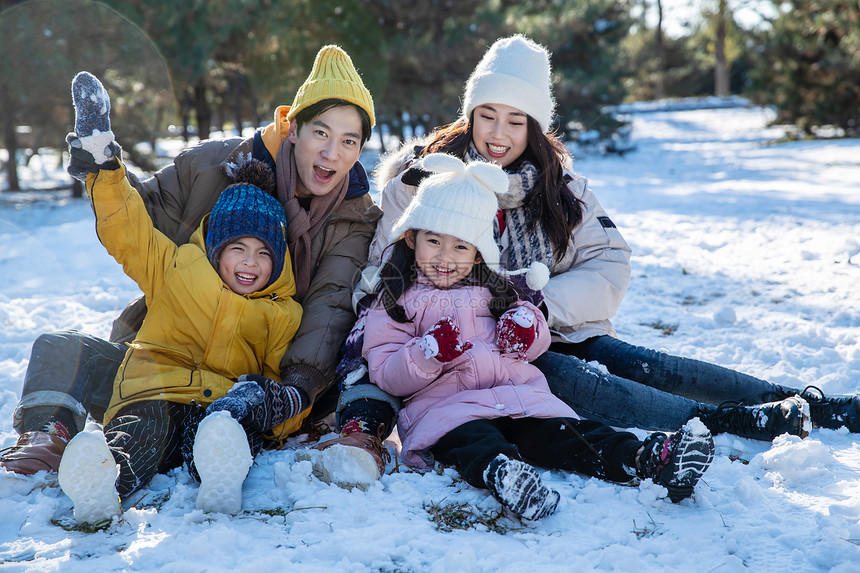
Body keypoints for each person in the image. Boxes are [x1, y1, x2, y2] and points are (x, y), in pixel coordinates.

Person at [328, 34, 860, 476]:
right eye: (486, 115)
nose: (497, 134)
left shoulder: (562, 189)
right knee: (589, 383)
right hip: (473, 349)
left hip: (547, 323)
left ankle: (798, 400)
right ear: (470, 114)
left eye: (515, 121)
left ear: (535, 127)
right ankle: (731, 422)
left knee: (648, 365)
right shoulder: (425, 181)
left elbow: (610, 263)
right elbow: (383, 272)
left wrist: (538, 305)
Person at [0, 45, 383, 479]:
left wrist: (291, 394)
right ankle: (47, 435)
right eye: (321, 133)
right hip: (162, 360)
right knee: (62, 348)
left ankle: (199, 462)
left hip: (245, 384)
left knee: (201, 431)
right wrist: (103, 170)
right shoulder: (212, 167)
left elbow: (329, 308)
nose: (333, 153)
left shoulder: (353, 219)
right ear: (291, 127)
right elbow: (136, 224)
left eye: (349, 141)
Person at [361, 152, 715, 519]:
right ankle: (505, 476)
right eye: (433, 241)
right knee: (473, 443)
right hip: (447, 411)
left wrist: (526, 328)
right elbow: (385, 373)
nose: (445, 256)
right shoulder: (394, 299)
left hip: (518, 400)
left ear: (479, 254)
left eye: (460, 246)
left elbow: (534, 337)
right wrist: (426, 352)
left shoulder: (496, 290)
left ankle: (645, 459)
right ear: (411, 237)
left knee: (570, 434)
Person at [51, 71, 307, 523]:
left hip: (218, 405)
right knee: (137, 434)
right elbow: (127, 229)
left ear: (279, 258)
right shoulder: (176, 269)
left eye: (264, 253)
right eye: (237, 249)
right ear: (215, 249)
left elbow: (273, 380)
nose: (250, 263)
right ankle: (102, 484)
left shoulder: (282, 312)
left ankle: (218, 477)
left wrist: (282, 412)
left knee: (227, 426)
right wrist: (104, 167)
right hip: (153, 390)